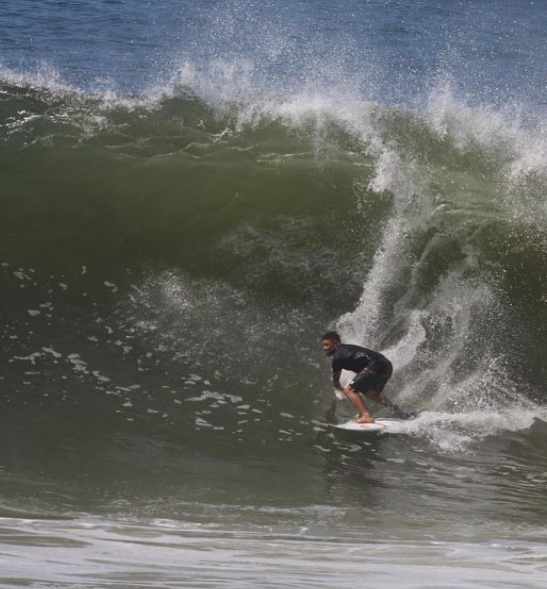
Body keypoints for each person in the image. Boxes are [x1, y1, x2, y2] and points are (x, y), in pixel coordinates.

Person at [321, 331, 410, 423]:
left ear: (336, 344)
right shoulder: (349, 349)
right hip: (386, 365)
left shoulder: (337, 357)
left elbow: (336, 380)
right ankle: (399, 412)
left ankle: (366, 416)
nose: (324, 348)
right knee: (371, 394)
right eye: (323, 345)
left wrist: (339, 388)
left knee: (349, 390)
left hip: (374, 365)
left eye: (327, 345)